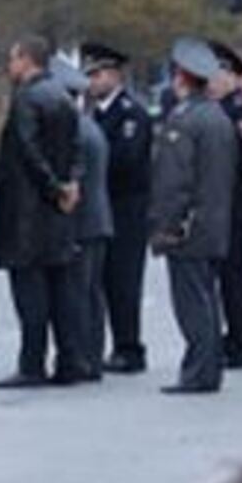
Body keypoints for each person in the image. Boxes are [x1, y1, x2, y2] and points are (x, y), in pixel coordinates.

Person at [0, 36, 87, 389]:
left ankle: (32, 364)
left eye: (12, 59)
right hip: (58, 214)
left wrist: (53, 187)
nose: (9, 67)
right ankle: (70, 360)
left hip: (28, 214)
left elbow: (28, 153)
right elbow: (76, 148)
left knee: (31, 296)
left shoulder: (27, 100)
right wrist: (71, 184)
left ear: (27, 60)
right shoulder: (62, 97)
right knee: (62, 292)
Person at [151, 38, 237, 396]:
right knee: (207, 298)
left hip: (189, 228)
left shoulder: (185, 120)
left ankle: (199, 371)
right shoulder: (218, 117)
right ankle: (208, 366)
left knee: (192, 302)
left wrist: (166, 227)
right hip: (213, 221)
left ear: (182, 78)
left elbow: (175, 180)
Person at [83, 42, 153, 374]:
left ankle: (130, 347)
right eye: (90, 75)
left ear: (113, 75)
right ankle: (109, 345)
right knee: (102, 280)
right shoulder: (93, 114)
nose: (92, 82)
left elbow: (125, 160)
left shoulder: (131, 114)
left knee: (124, 280)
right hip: (102, 206)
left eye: (97, 74)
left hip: (127, 208)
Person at [54, 58, 112, 378]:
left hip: (82, 222)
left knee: (77, 294)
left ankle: (81, 359)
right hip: (97, 220)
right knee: (90, 293)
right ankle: (91, 356)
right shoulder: (90, 125)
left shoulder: (74, 130)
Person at [208, 41, 242, 370]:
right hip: (218, 208)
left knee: (233, 277)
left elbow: (238, 163)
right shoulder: (217, 111)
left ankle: (238, 342)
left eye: (216, 73)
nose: (210, 81)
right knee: (218, 277)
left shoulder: (239, 113)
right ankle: (225, 338)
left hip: (233, 207)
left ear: (229, 75)